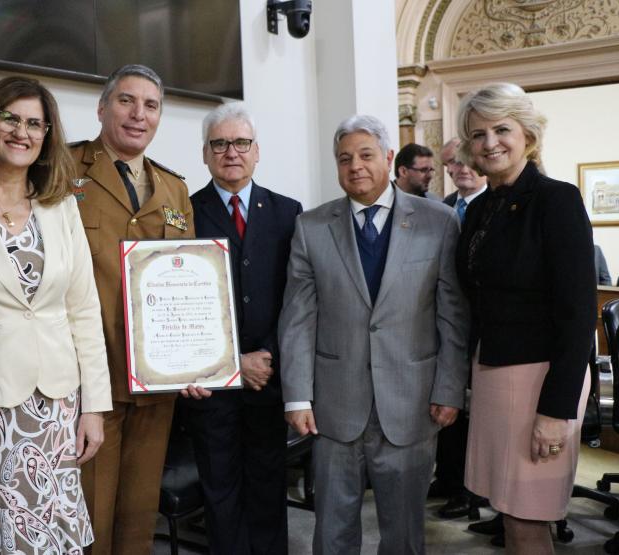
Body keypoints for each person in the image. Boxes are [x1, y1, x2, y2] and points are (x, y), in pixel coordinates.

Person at [0, 76, 111, 554]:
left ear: (47, 135)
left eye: (35, 123)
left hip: (56, 405)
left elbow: (83, 310)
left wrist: (94, 406)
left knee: (58, 531)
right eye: (10, 118)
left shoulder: (62, 207)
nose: (22, 132)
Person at [279, 114, 469, 554]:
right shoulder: (311, 227)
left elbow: (452, 316)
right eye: (344, 158)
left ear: (387, 158)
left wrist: (450, 388)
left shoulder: (437, 222)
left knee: (403, 533)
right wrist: (297, 397)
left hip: (413, 402)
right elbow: (298, 319)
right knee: (332, 532)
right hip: (333, 406)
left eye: (366, 155)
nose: (355, 166)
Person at [455, 82, 595, 554]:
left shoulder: (556, 200)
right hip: (493, 373)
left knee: (528, 521)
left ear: (528, 135)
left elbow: (578, 314)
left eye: (501, 129)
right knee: (509, 516)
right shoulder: (479, 209)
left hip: (541, 380)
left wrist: (555, 412)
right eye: (477, 134)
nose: (489, 142)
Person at [70, 64, 196, 554]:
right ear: (102, 108)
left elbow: (188, 283)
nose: (138, 114)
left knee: (138, 522)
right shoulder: (63, 169)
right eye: (126, 101)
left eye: (151, 105)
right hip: (90, 381)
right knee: (90, 522)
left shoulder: (174, 189)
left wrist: (195, 359)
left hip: (156, 383)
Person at [179, 103, 301, 555]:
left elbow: (296, 297)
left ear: (256, 151)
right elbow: (181, 304)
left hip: (269, 379)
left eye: (241, 143)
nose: (231, 152)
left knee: (270, 488)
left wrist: (266, 354)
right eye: (220, 144)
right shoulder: (184, 214)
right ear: (206, 155)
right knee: (221, 492)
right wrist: (232, 364)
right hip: (212, 387)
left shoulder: (289, 212)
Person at [430, 137, 489, 520]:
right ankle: (450, 481)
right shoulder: (442, 210)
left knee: (478, 416)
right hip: (446, 329)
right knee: (448, 409)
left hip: (485, 329)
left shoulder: (494, 205)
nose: (462, 168)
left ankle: (474, 491)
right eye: (454, 162)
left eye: (468, 161)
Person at [441, 138, 488, 224]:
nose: (464, 170)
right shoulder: (445, 205)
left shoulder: (496, 205)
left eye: (470, 162)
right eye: (456, 163)